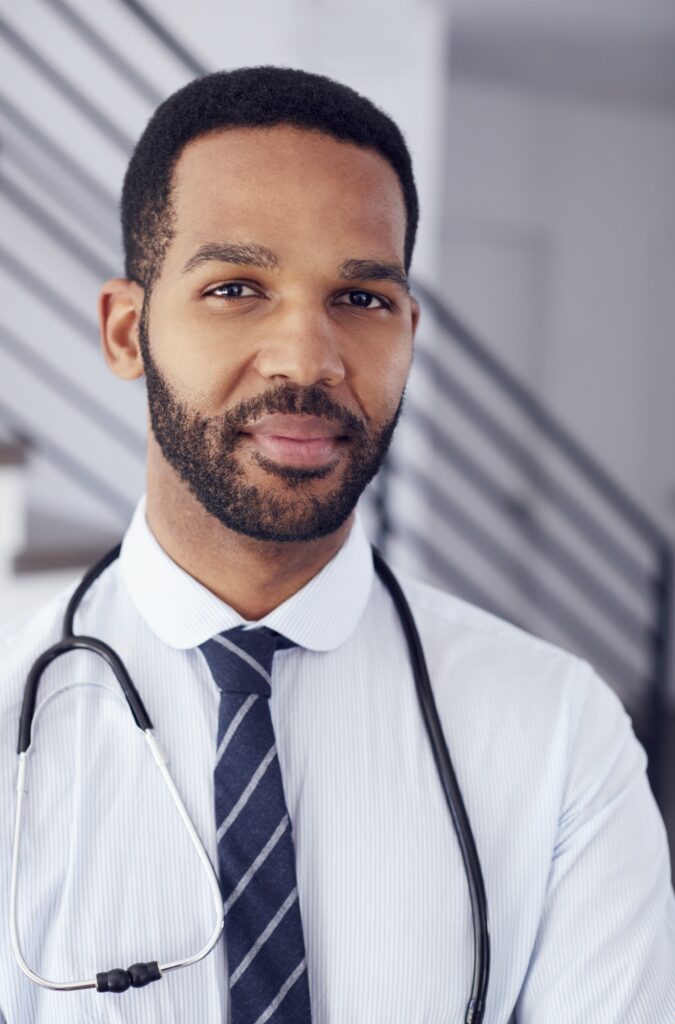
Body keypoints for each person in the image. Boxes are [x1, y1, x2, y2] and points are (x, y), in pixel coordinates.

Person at [0, 66, 673, 1024]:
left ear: (408, 329)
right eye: (237, 287)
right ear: (125, 331)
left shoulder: (562, 737)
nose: (308, 359)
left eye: (360, 299)